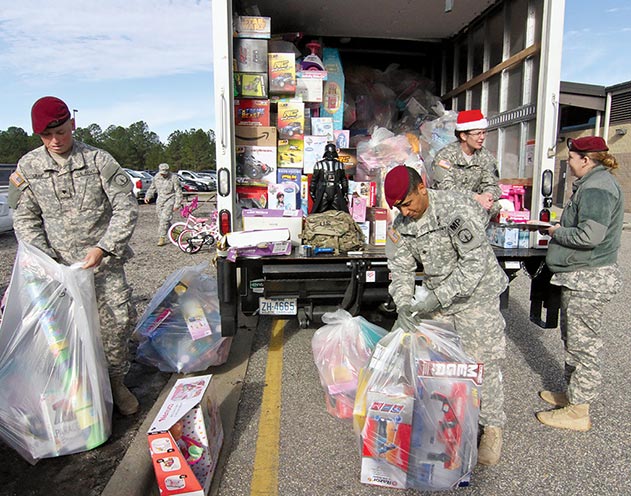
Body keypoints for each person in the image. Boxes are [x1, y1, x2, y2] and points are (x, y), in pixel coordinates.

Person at [8, 96, 140, 415]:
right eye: (46, 136)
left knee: (116, 325)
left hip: (103, 266)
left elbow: (126, 206)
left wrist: (104, 247)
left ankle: (115, 383)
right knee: (65, 335)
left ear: (72, 124)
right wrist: (47, 261)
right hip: (56, 272)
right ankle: (79, 392)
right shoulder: (28, 167)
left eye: (61, 132)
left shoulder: (98, 161)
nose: (55, 141)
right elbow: (24, 218)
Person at [384, 165, 509, 466]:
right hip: (438, 299)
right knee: (437, 365)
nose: (405, 211)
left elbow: (474, 265)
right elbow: (400, 269)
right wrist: (403, 303)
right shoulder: (402, 225)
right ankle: (448, 423)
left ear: (422, 189)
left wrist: (434, 299)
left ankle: (491, 427)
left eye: (408, 203)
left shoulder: (456, 209)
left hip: (475, 297)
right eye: (399, 207)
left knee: (483, 363)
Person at [536, 136, 623, 432]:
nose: (569, 164)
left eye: (571, 159)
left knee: (583, 346)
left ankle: (579, 410)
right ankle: (573, 395)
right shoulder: (592, 183)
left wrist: (557, 232)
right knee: (573, 340)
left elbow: (590, 236)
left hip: (589, 279)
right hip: (580, 276)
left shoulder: (598, 188)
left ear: (586, 159)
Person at [431, 109, 502, 218]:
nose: (482, 137)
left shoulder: (486, 156)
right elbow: (445, 188)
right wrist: (476, 197)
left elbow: (492, 184)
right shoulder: (445, 156)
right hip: (450, 205)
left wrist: (487, 195)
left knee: (495, 206)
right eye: (478, 133)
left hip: (476, 205)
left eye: (484, 133)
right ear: (463, 136)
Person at [144, 163, 183, 246]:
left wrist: (177, 204)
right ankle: (176, 233)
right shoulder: (156, 177)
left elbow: (178, 191)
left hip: (170, 199)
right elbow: (152, 187)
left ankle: (162, 238)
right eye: (162, 173)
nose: (163, 175)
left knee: (164, 219)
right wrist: (148, 196)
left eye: (165, 173)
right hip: (160, 201)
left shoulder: (173, 178)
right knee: (163, 219)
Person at [310, 143, 349, 213]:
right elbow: (314, 180)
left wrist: (345, 192)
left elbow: (344, 180)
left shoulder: (339, 164)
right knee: (321, 212)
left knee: (337, 213)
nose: (330, 155)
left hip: (335, 190)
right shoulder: (319, 164)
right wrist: (312, 192)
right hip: (324, 190)